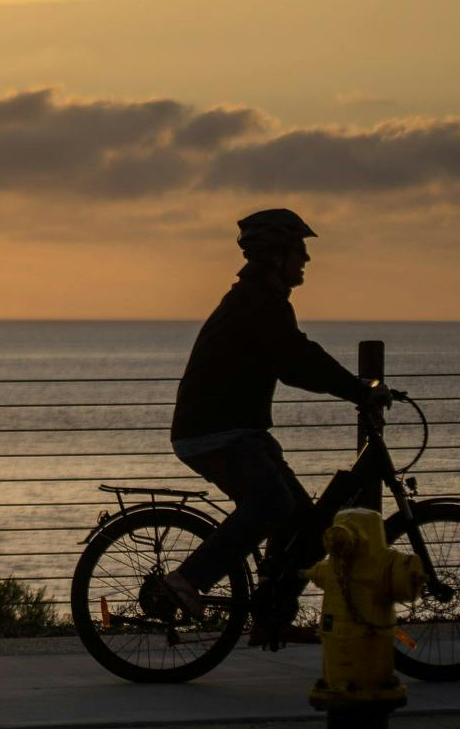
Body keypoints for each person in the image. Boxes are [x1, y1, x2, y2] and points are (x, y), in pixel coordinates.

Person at [160, 208, 389, 636]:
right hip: (214, 432)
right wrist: (359, 390)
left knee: (304, 524)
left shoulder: (262, 299)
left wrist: (354, 389)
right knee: (271, 504)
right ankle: (187, 581)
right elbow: (297, 361)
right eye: (299, 250)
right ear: (276, 256)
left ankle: (271, 615)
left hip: (237, 429)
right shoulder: (258, 303)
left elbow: (296, 357)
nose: (306, 258)